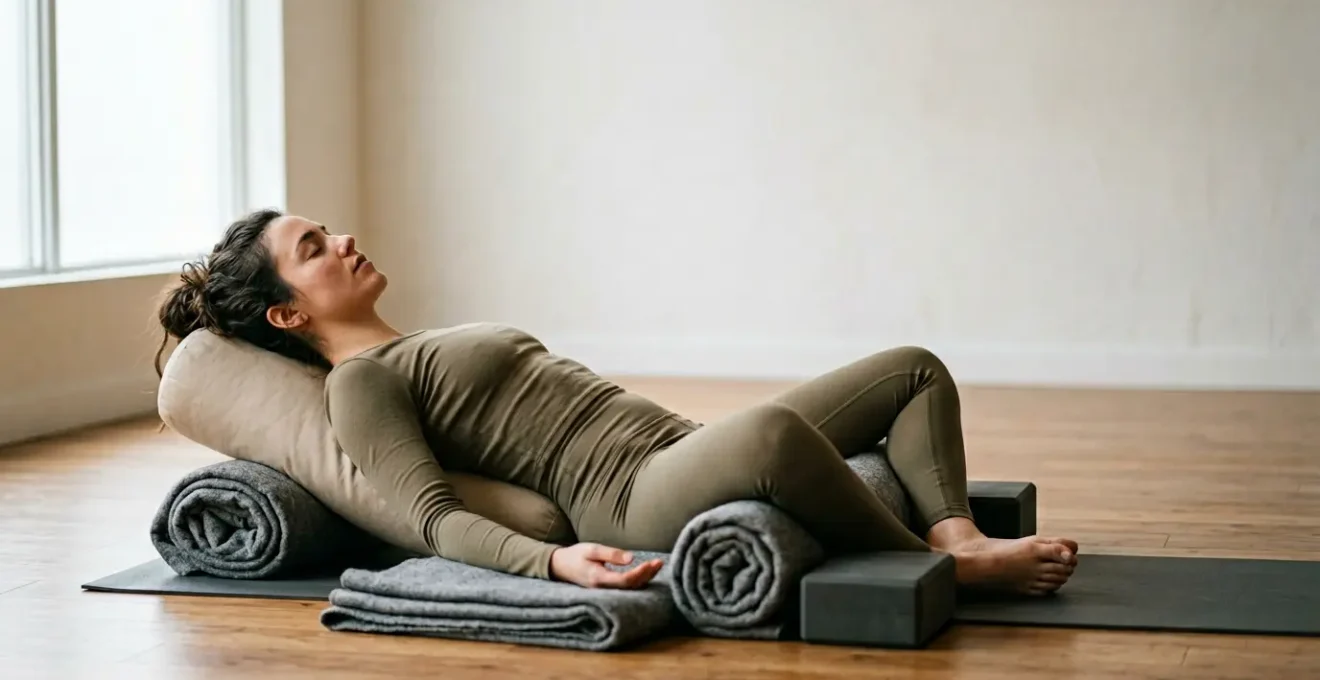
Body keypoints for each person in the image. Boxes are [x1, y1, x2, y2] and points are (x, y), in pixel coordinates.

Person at [155, 209, 1079, 594]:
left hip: (675, 444)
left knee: (911, 368)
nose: (344, 238)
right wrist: (551, 567)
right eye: (316, 246)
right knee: (768, 431)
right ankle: (929, 567)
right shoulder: (362, 384)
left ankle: (958, 533)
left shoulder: (412, 346)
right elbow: (430, 519)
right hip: (630, 497)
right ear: (289, 310)